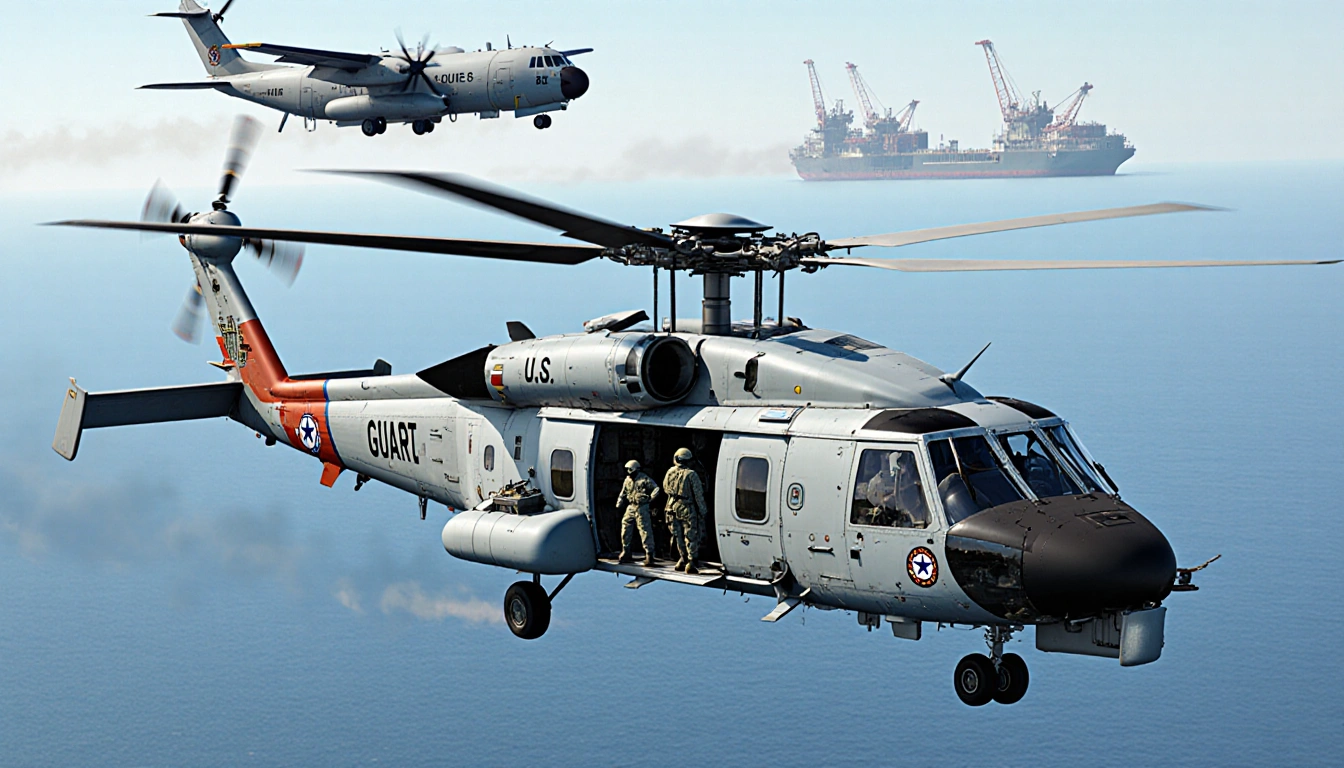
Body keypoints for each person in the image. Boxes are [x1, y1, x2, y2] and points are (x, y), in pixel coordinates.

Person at [663, 447, 708, 574]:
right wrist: (703, 511)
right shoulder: (691, 474)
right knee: (691, 535)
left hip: (671, 506)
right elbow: (698, 495)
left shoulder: (670, 472)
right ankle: (691, 561)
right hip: (686, 507)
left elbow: (665, 488)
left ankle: (682, 559)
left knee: (678, 535)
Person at [616, 459, 660, 566]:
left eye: (630, 470)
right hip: (631, 506)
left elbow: (656, 488)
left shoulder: (644, 479)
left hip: (642, 507)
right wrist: (619, 502)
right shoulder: (627, 480)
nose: (628, 472)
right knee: (625, 527)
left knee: (645, 530)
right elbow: (623, 492)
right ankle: (626, 551)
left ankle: (649, 554)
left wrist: (650, 499)